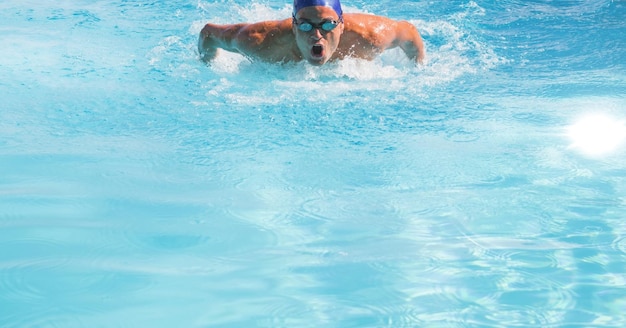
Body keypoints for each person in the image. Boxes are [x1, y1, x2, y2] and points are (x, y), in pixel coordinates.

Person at [198, 0, 425, 66]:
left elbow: (409, 32)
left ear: (342, 25)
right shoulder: (260, 41)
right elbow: (208, 33)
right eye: (306, 26)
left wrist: (419, 68)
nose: (317, 35)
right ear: (294, 25)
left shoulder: (370, 37)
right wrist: (208, 67)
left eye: (327, 25)